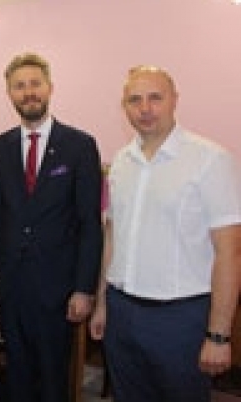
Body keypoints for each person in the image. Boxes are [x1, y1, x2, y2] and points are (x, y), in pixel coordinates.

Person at [89, 66, 241, 402]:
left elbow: (229, 251)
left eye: (155, 98)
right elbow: (112, 237)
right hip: (122, 312)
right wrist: (102, 304)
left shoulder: (210, 160)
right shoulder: (120, 162)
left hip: (180, 319)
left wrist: (219, 335)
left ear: (174, 100)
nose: (145, 108)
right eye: (135, 100)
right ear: (125, 107)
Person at [0, 52, 103, 402]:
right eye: (19, 86)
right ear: (10, 94)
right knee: (14, 377)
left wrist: (84, 288)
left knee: (53, 380)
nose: (28, 92)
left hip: (59, 290)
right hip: (10, 287)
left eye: (35, 83)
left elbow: (88, 224)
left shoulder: (80, 145)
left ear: (50, 88)